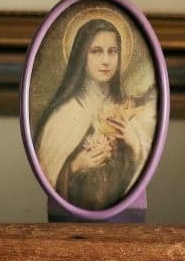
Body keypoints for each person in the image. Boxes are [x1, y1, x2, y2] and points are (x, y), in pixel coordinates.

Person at [34, 17, 155, 210]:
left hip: (127, 214)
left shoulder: (128, 110)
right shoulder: (64, 114)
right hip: (70, 219)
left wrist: (134, 144)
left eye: (112, 51)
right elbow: (49, 174)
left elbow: (143, 168)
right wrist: (76, 165)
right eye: (96, 51)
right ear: (82, 55)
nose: (106, 61)